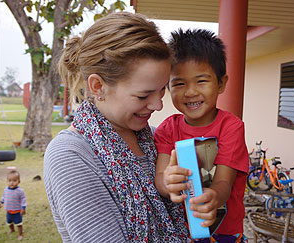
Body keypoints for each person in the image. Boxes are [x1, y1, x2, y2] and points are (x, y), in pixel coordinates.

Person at [43, 12, 189, 243]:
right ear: (98, 86)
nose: (158, 105)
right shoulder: (70, 156)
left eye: (162, 89)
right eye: (143, 95)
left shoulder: (153, 137)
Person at [154, 29, 250, 243]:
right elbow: (160, 176)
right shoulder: (167, 129)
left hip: (225, 232)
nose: (190, 92)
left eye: (201, 81)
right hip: (180, 232)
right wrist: (167, 182)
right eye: (179, 83)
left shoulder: (231, 127)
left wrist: (214, 196)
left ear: (221, 83)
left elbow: (224, 183)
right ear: (168, 87)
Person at [0, 170, 26, 241]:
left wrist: (23, 208)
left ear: (19, 181)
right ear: (7, 181)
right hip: (8, 210)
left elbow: (23, 200)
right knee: (9, 222)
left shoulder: (20, 191)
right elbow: (4, 197)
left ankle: (20, 234)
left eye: (14, 180)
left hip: (17, 211)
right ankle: (12, 230)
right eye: (9, 180)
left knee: (19, 223)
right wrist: (1, 203)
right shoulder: (6, 189)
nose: (12, 182)